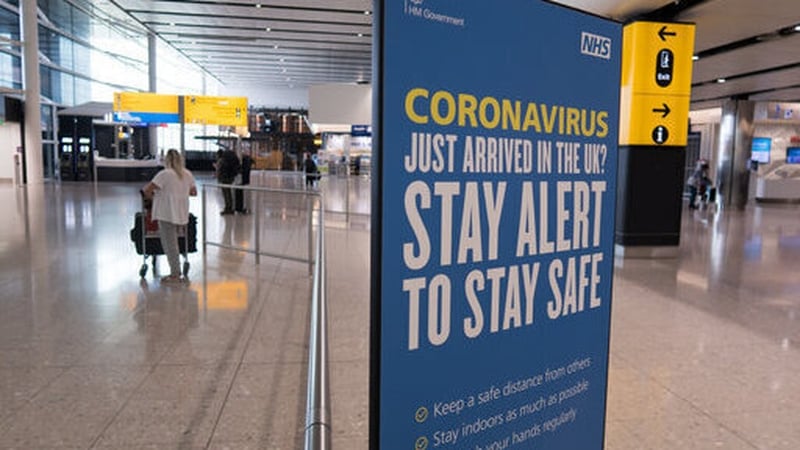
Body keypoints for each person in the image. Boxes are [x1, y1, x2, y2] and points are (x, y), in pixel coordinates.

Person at [142, 149, 197, 284]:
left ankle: (175, 274)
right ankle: (176, 270)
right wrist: (180, 192)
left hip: (166, 212)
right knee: (176, 242)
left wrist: (154, 199)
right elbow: (193, 192)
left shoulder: (164, 174)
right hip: (182, 213)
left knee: (169, 244)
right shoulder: (187, 174)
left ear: (167, 160)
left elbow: (146, 190)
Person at [216, 148, 240, 215]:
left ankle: (228, 208)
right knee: (228, 193)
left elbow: (219, 170)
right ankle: (229, 208)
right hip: (229, 178)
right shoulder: (226, 160)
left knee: (226, 194)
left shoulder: (221, 161)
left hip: (224, 179)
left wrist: (219, 178)